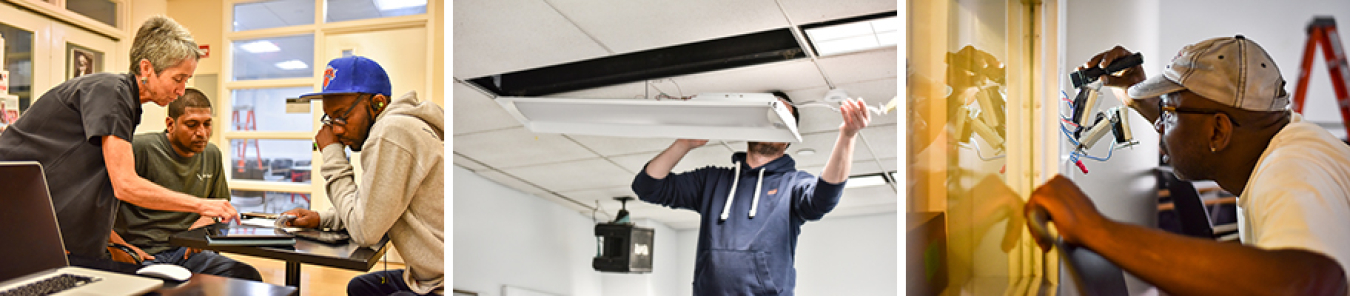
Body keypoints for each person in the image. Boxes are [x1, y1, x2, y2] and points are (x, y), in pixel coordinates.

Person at [1026, 35, 1350, 295]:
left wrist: (1094, 228)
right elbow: (1200, 136)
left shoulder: (1289, 172)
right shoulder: (1284, 137)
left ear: (1218, 130)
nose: (1159, 124)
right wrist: (1146, 102)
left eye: (1168, 112)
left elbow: (1308, 284)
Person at [0, 16, 237, 259]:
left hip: (34, 217)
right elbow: (126, 186)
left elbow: (93, 184)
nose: (182, 90)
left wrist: (119, 245)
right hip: (13, 209)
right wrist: (202, 204)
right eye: (178, 79)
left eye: (186, 80)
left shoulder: (126, 104)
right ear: (146, 68)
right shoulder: (112, 92)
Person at [631, 91, 871, 295]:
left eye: (781, 120)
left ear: (788, 138)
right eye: (767, 117)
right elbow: (647, 187)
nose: (771, 125)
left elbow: (824, 198)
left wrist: (847, 137)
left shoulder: (793, 184)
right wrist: (683, 143)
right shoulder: (713, 181)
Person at [278, 56, 444, 296]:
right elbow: (375, 210)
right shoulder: (404, 127)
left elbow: (365, 231)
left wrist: (332, 154)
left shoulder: (392, 132)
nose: (335, 129)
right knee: (361, 287)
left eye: (342, 116)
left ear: (377, 103)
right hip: (428, 276)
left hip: (441, 283)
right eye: (330, 118)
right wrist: (320, 219)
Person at [107, 88, 262, 280]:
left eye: (207, 124)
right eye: (191, 125)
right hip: (143, 254)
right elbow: (92, 209)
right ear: (170, 124)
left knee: (247, 276)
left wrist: (202, 226)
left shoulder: (212, 154)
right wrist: (119, 246)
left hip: (188, 253)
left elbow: (217, 206)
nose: (202, 133)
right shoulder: (139, 149)